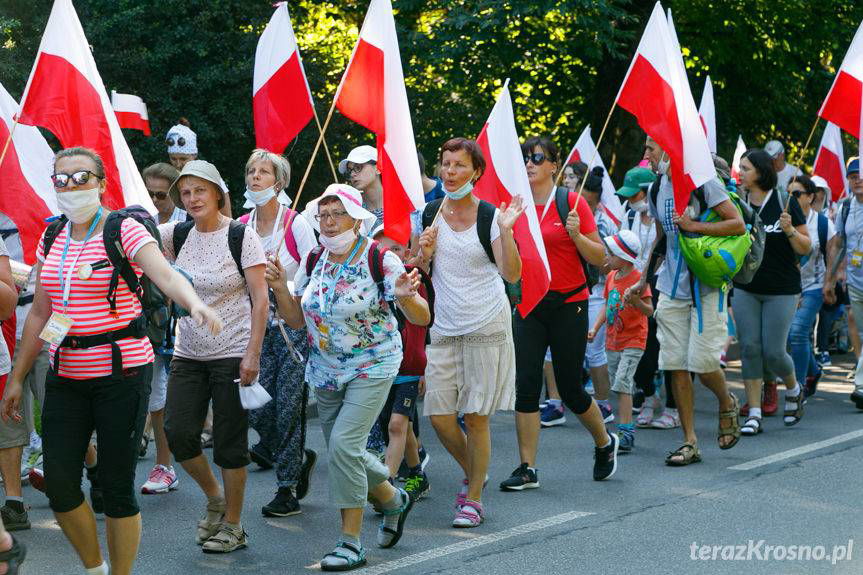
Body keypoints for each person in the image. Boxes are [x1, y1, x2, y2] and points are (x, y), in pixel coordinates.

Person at [2, 147, 221, 575]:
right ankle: (94, 567)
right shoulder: (53, 237)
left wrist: (194, 303)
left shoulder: (124, 230)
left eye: (81, 177)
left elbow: (165, 274)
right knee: (62, 486)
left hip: (122, 374)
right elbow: (43, 314)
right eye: (61, 180)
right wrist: (17, 377)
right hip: (66, 374)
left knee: (118, 490)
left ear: (101, 183)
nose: (70, 187)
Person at [269, 184, 428, 570]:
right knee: (348, 452)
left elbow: (422, 317)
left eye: (336, 213)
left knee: (343, 446)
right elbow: (295, 319)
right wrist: (278, 287)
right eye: (322, 215)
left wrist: (407, 296)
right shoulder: (313, 259)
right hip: (324, 370)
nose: (327, 221)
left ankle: (349, 542)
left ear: (356, 219)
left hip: (372, 365)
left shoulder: (381, 258)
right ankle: (393, 500)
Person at [497, 136, 617, 494]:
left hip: (569, 303)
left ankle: (603, 442)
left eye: (537, 158)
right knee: (527, 385)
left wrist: (578, 236)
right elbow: (505, 260)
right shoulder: (514, 206)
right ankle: (528, 467)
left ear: (554, 165)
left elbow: (600, 258)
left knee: (569, 388)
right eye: (525, 159)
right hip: (529, 305)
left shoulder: (571, 202)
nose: (530, 164)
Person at [159, 160, 268, 553]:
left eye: (199, 190)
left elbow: (261, 301)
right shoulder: (177, 234)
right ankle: (214, 497)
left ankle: (235, 526)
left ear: (217, 192)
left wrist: (252, 353)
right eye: (185, 193)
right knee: (178, 431)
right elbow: (137, 241)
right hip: (188, 351)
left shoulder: (242, 235)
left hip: (233, 351)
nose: (191, 199)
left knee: (229, 442)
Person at [416, 138, 522, 527]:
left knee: (476, 418)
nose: (449, 172)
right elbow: (417, 269)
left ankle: (473, 498)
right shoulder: (430, 212)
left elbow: (512, 274)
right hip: (444, 326)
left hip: (486, 324)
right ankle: (477, 470)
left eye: (459, 166)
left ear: (475, 173)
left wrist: (508, 232)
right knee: (442, 417)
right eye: (445, 164)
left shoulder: (491, 216)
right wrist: (421, 252)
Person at [635, 136, 745, 466]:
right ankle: (689, 441)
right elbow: (660, 238)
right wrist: (642, 280)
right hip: (670, 286)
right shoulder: (656, 189)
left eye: (651, 148)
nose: (647, 156)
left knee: (703, 362)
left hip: (706, 286)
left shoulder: (702, 181)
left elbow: (737, 224)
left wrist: (692, 225)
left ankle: (727, 400)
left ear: (669, 149)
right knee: (674, 364)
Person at [239, 149, 318, 517]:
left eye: (263, 172)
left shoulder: (295, 224)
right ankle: (296, 456)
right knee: (255, 409)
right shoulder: (241, 226)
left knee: (288, 409)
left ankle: (286, 488)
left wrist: (286, 285)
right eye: (251, 171)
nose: (255, 177)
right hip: (254, 331)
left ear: (279, 182)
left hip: (290, 330)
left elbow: (315, 266)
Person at [733, 149, 810, 435]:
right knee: (750, 348)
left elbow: (806, 247)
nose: (740, 172)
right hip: (746, 287)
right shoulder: (737, 203)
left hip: (782, 289)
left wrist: (790, 231)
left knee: (774, 351)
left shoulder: (785, 200)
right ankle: (753, 412)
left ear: (762, 172)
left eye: (745, 168)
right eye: (740, 167)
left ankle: (793, 389)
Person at [368, 224, 433, 501]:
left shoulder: (415, 283)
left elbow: (422, 327)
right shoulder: (371, 284)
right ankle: (418, 473)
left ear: (405, 252)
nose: (390, 256)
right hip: (382, 367)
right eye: (384, 251)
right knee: (400, 426)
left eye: (396, 249)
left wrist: (422, 370)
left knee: (397, 424)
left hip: (408, 366)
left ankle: (388, 485)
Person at [616, 167, 678, 429]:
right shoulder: (628, 214)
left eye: (636, 194)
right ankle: (650, 395)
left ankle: (674, 408)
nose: (631, 200)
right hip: (634, 289)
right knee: (638, 349)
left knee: (669, 348)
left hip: (663, 286)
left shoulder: (664, 217)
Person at [139, 162, 186, 496]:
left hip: (186, 321)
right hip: (152, 322)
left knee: (179, 398)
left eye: (161, 194)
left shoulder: (187, 224)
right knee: (156, 394)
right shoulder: (137, 223)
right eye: (149, 193)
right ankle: (164, 465)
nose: (155, 200)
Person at [589, 230, 653, 452]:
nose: (607, 258)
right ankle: (624, 428)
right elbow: (607, 307)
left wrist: (636, 300)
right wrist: (595, 328)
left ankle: (626, 432)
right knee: (620, 385)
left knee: (622, 384)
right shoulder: (610, 278)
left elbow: (649, 310)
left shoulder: (638, 280)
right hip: (613, 340)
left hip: (634, 339)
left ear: (624, 256)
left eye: (611, 254)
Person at [787, 175, 837, 398]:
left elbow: (832, 257)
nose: (791, 198)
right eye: (788, 194)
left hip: (813, 286)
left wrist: (830, 284)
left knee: (798, 332)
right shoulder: (783, 220)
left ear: (810, 197)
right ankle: (813, 371)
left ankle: (796, 388)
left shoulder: (824, 224)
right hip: (787, 288)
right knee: (792, 336)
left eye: (796, 194)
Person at [580, 167, 618, 423]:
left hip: (598, 291)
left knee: (594, 349)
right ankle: (555, 402)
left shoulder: (603, 222)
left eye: (588, 200)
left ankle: (604, 404)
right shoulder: (571, 212)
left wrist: (582, 243)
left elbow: (606, 263)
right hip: (576, 289)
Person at [833, 158, 863, 409]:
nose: (858, 180)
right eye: (853, 176)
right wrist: (833, 275)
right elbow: (839, 244)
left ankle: (861, 385)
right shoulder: (844, 208)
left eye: (861, 175)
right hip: (854, 280)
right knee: (860, 329)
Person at [165, 120, 232, 217]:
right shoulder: (167, 178)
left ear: (194, 155)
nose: (178, 164)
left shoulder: (211, 177)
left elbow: (227, 217)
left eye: (183, 159)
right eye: (173, 158)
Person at [339, 145, 382, 228]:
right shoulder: (351, 210)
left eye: (358, 167)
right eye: (349, 171)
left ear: (378, 168)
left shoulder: (402, 203)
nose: (352, 174)